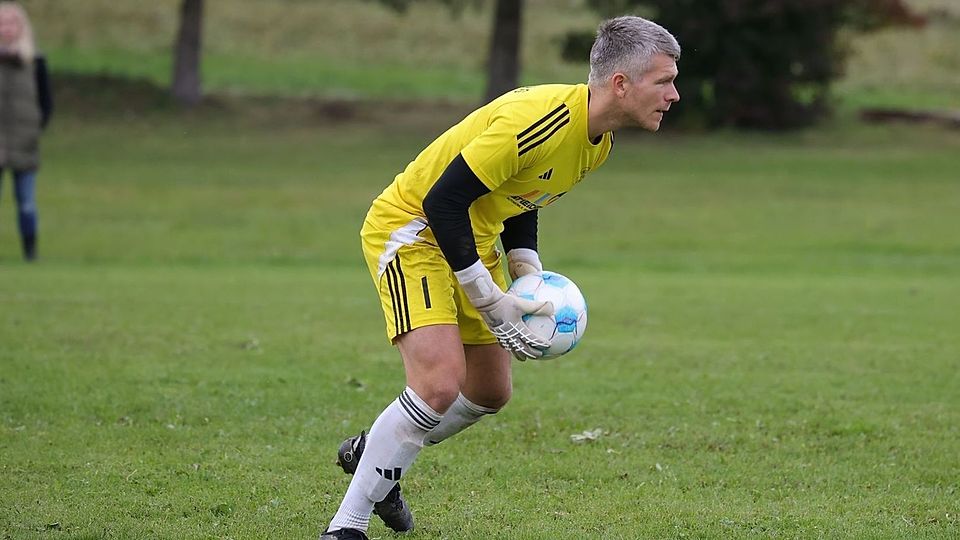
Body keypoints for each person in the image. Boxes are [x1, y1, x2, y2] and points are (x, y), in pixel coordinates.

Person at [320, 15, 680, 540]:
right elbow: (441, 201)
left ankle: (374, 456)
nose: (674, 93)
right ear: (620, 84)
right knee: (438, 384)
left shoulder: (597, 141)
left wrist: (525, 266)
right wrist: (487, 295)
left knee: (489, 391)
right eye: (664, 80)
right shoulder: (539, 119)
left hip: (473, 235)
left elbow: (521, 193)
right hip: (414, 230)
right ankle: (346, 526)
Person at [0, 1, 52, 262]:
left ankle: (30, 254)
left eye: (12, 23)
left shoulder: (35, 61)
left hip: (25, 142)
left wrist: (34, 130)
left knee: (27, 203)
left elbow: (46, 103)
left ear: (22, 27)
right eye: (2, 23)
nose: (6, 28)